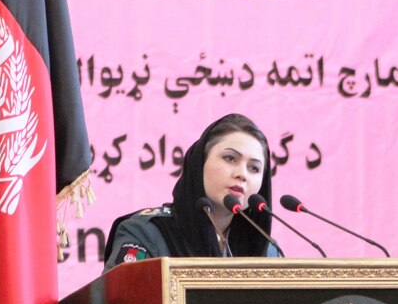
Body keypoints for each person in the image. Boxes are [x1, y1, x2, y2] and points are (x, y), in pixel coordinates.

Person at [104, 113, 279, 266]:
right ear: (199, 163)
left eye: (254, 168)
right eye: (230, 158)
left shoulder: (267, 251)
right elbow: (120, 301)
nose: (242, 174)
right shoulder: (145, 233)